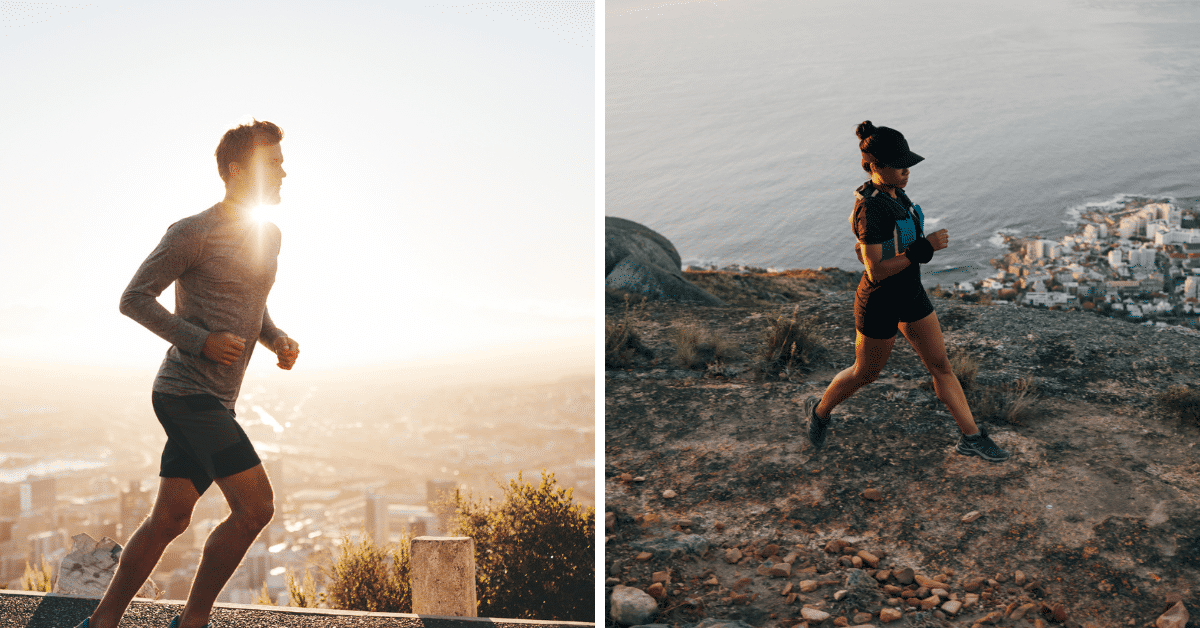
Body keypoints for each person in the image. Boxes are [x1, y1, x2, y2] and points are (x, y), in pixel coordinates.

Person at [78, 119, 301, 628]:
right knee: (256, 508)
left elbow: (251, 304)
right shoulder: (192, 231)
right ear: (237, 170)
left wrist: (275, 339)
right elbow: (133, 299)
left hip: (218, 399)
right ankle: (194, 622)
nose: (285, 172)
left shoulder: (270, 235)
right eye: (274, 163)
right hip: (184, 393)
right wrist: (201, 342)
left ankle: (101, 623)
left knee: (171, 518)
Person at [801, 120, 1009, 463]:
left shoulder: (895, 192)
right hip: (881, 303)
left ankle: (971, 437)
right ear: (876, 166)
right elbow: (876, 270)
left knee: (941, 365)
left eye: (907, 163)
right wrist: (924, 248)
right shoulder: (870, 208)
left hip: (910, 294)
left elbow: (876, 250)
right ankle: (820, 411)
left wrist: (911, 251)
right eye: (899, 165)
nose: (907, 170)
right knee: (865, 373)